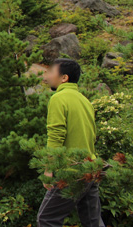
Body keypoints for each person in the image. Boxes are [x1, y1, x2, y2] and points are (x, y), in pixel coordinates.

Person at [37, 58, 104, 227]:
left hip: (70, 170)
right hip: (91, 168)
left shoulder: (59, 98)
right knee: (92, 221)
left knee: (46, 219)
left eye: (51, 71)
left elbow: (56, 136)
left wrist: (49, 169)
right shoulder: (84, 100)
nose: (47, 75)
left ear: (64, 77)